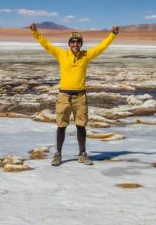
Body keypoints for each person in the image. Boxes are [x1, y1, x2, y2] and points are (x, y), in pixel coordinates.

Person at [29, 23, 120, 166]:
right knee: (61, 126)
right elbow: (46, 44)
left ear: (81, 43)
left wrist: (112, 34)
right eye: (73, 41)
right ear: (69, 43)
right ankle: (58, 154)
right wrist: (35, 32)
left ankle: (82, 154)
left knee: (81, 126)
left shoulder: (86, 56)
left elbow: (101, 47)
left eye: (78, 41)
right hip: (64, 96)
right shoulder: (61, 54)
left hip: (80, 97)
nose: (75, 44)